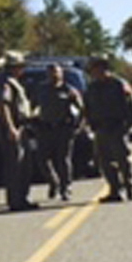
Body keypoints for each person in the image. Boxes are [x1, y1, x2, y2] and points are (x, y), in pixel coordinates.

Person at [84, 56, 132, 201]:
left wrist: (127, 126)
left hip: (117, 127)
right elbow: (87, 106)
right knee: (104, 162)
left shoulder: (118, 84)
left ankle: (129, 186)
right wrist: (90, 123)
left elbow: (131, 106)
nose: (94, 72)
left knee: (122, 159)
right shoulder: (92, 87)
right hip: (100, 128)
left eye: (96, 68)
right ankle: (114, 190)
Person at [33, 63, 84, 200]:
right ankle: (53, 182)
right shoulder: (41, 89)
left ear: (61, 74)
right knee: (42, 160)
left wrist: (78, 126)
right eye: (50, 72)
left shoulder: (69, 90)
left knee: (63, 159)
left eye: (56, 72)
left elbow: (81, 110)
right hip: (45, 129)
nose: (53, 75)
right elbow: (34, 107)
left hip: (63, 129)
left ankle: (65, 187)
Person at [0, 51, 36, 210]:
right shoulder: (5, 83)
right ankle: (16, 201)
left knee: (25, 165)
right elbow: (3, 106)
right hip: (13, 128)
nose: (22, 69)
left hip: (21, 126)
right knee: (16, 166)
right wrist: (11, 128)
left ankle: (22, 199)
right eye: (20, 66)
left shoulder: (12, 81)